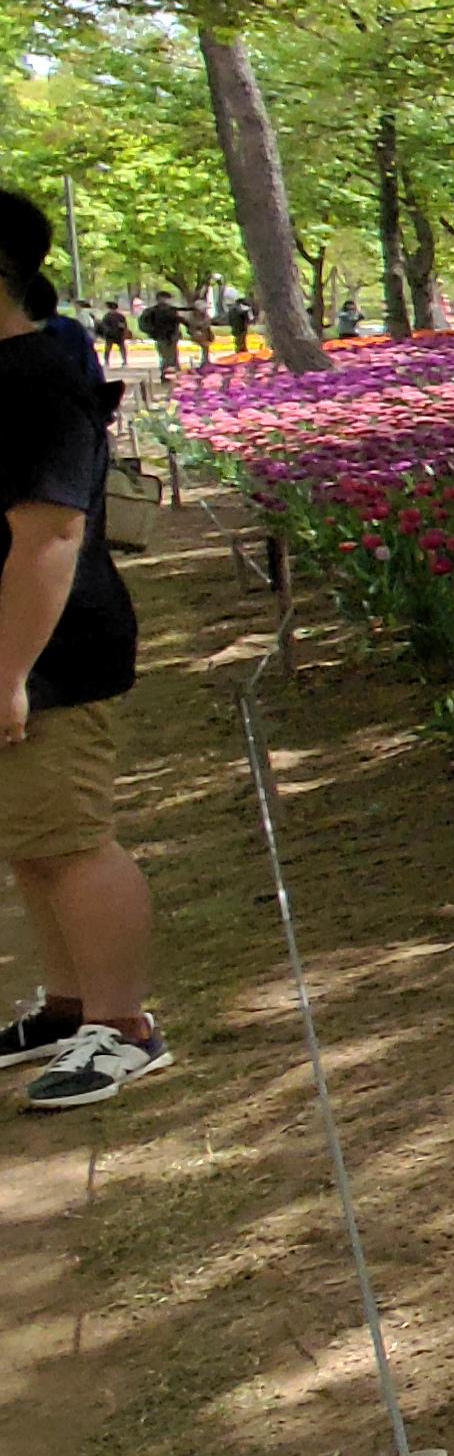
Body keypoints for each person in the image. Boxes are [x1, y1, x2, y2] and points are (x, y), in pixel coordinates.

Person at [0, 196, 154, 1108]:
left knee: (71, 841)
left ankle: (123, 1026)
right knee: (30, 839)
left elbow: (50, 536)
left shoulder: (36, 381)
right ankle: (67, 1008)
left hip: (49, 650)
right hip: (20, 650)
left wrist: (10, 673)